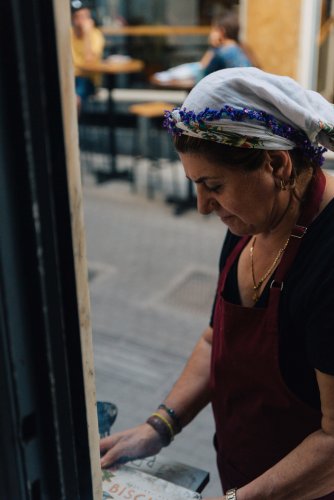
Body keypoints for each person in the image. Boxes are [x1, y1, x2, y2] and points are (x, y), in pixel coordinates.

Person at [100, 67, 334, 499]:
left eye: (213, 185)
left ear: (276, 164)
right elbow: (216, 341)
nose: (204, 207)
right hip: (244, 477)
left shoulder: (327, 261)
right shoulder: (254, 217)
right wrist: (160, 426)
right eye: (195, 185)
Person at [152, 11, 254, 86]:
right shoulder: (242, 50)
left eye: (213, 29)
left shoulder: (221, 53)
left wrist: (213, 48)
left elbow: (201, 76)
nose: (210, 33)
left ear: (221, 32)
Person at [70, 1, 105, 110]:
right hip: (70, 77)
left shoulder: (95, 35)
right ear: (72, 19)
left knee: (75, 100)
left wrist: (87, 35)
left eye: (85, 17)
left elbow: (89, 62)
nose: (81, 21)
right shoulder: (68, 34)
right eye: (78, 17)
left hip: (87, 79)